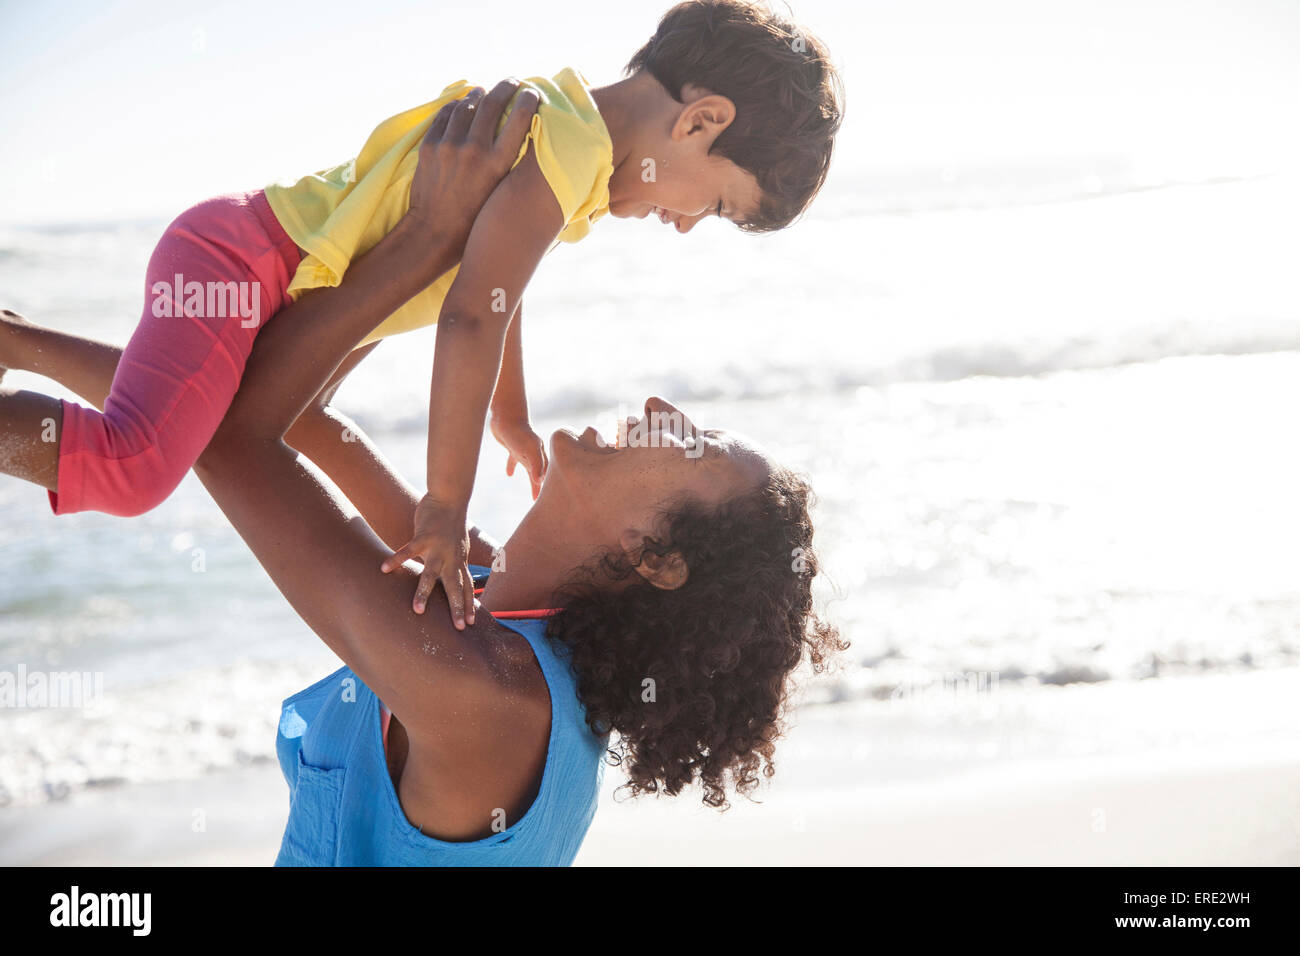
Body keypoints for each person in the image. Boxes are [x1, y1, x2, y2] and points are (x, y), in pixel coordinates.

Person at [1, 82, 845, 865]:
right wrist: (22, 343)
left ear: (655, 556)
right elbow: (284, 421)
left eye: (693, 445)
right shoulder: (486, 601)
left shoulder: (491, 699)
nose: (665, 407)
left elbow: (238, 439)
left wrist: (424, 240)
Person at [0, 0, 844, 633]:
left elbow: (501, 296)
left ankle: (11, 340)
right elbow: (469, 319)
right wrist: (444, 507)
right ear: (701, 122)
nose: (689, 224)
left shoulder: (576, 155)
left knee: (189, 417)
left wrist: (509, 417)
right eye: (719, 205)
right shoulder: (569, 150)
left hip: (263, 270)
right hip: (246, 266)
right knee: (136, 467)